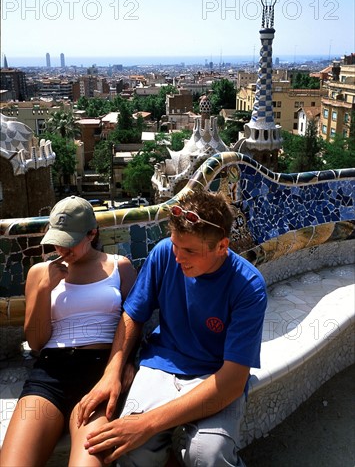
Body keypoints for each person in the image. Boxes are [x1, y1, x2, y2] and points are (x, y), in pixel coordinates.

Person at [78, 188, 268, 467]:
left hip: (214, 375)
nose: (178, 257)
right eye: (175, 245)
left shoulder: (248, 287)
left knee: (208, 455)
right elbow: (133, 314)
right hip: (162, 363)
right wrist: (112, 371)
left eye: (190, 250)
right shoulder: (165, 253)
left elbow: (232, 381)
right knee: (130, 452)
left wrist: (146, 424)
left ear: (222, 247)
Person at [1, 196, 137, 467]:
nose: (61, 248)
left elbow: (134, 323)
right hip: (51, 372)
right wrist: (43, 290)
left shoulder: (119, 267)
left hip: (99, 373)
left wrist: (127, 364)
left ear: (92, 233)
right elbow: (37, 342)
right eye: (56, 239)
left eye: (69, 240)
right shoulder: (40, 272)